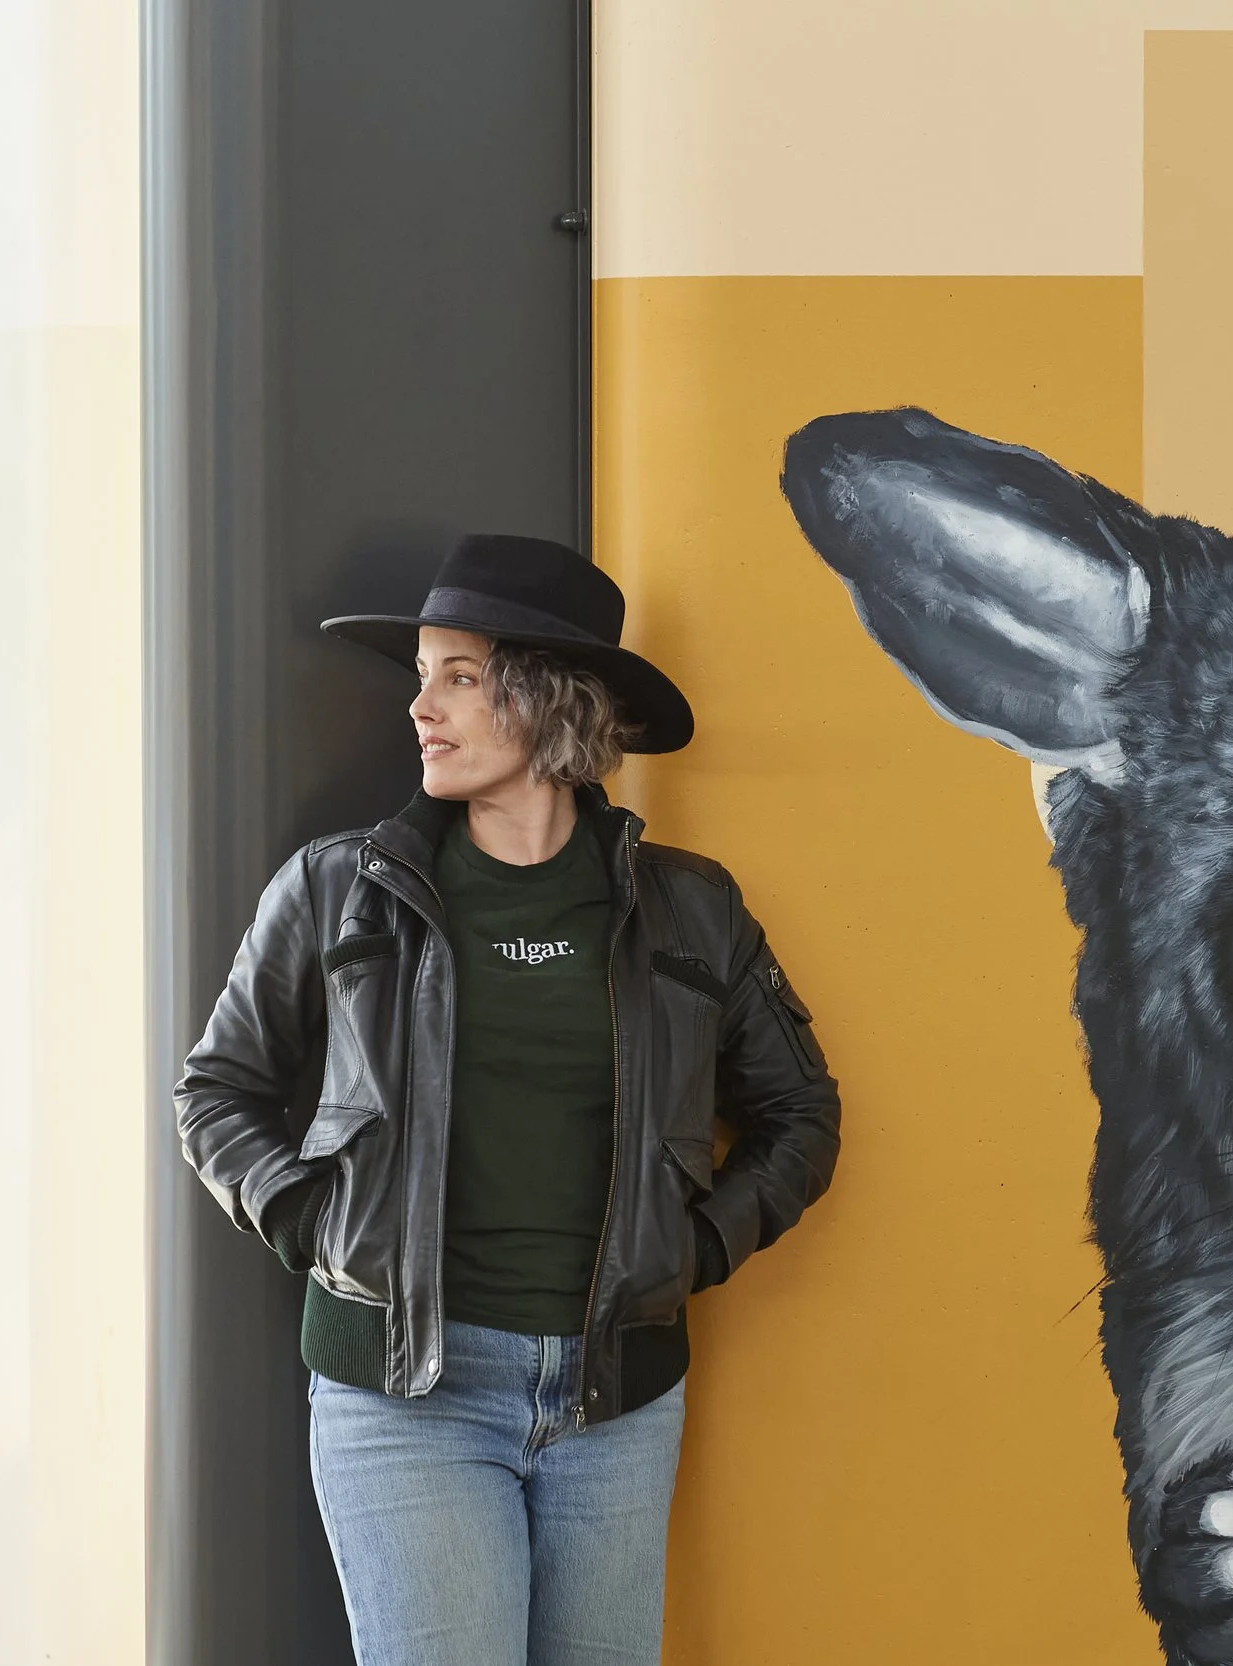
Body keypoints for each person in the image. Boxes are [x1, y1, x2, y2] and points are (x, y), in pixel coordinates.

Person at [174, 533, 842, 1665]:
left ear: (548, 700)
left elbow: (802, 1115)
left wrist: (695, 1250)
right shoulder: (338, 891)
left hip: (616, 1405)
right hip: (404, 1397)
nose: (420, 707)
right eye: (422, 675)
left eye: (460, 677)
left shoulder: (691, 910)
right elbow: (218, 1091)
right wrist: (313, 1223)